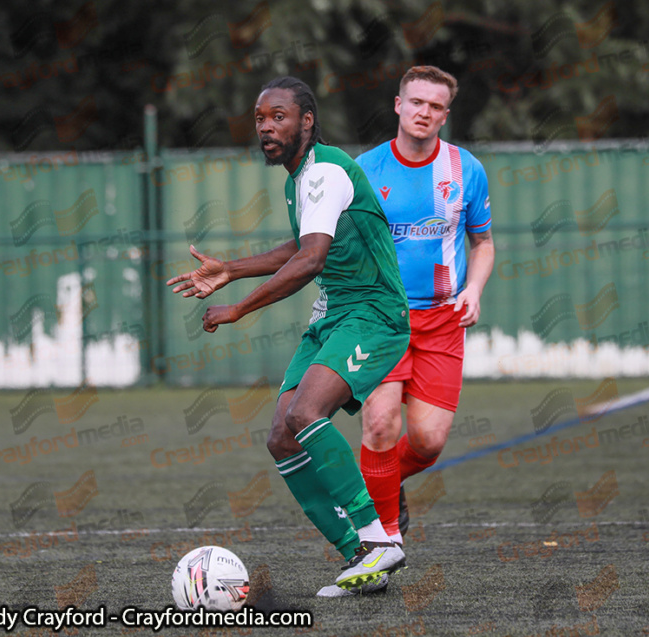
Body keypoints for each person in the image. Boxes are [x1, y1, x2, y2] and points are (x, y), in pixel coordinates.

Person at [167, 76, 411, 596]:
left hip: (373, 313)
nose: (266, 127)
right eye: (259, 119)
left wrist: (238, 308)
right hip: (335, 315)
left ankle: (380, 539)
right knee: (281, 436)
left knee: (305, 415)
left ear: (306, 120)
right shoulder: (296, 180)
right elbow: (302, 244)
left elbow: (310, 259)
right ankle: (359, 561)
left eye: (278, 116)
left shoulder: (324, 170)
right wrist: (231, 269)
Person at [355, 66, 495, 546]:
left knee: (429, 442)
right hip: (382, 318)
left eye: (435, 107)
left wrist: (474, 289)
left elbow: (484, 243)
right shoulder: (365, 171)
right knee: (379, 423)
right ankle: (384, 542)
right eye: (416, 102)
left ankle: (382, 482)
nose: (424, 112)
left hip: (442, 321)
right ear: (399, 104)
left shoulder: (465, 170)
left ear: (445, 115)